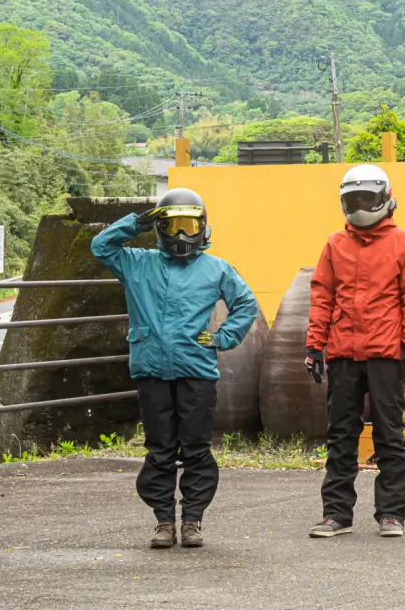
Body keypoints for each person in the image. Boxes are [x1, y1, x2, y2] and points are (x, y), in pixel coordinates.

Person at [92, 187, 258, 550]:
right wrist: (134, 223)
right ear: (159, 228)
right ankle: (164, 522)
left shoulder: (216, 269)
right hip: (151, 370)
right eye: (172, 226)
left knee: (196, 448)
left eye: (189, 226)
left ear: (203, 227)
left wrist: (221, 338)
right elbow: (100, 247)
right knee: (160, 448)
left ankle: (193, 520)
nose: (182, 235)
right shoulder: (137, 263)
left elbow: (246, 304)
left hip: (195, 370)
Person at [305, 164, 405, 539]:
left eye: (366, 198)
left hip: (386, 354)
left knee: (389, 435)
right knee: (340, 435)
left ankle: (391, 513)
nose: (360, 205)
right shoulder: (334, 244)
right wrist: (314, 346)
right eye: (353, 199)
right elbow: (322, 296)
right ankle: (336, 515)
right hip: (343, 353)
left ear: (385, 199)